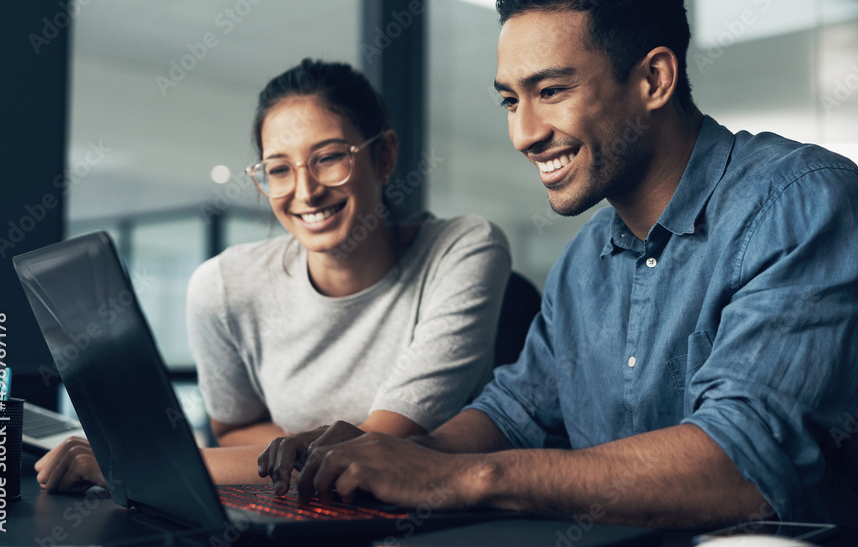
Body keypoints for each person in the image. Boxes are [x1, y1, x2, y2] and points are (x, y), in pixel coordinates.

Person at [259, 0, 858, 534]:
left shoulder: (806, 202)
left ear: (654, 78)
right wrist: (387, 454)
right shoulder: (586, 259)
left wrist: (454, 476)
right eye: (510, 99)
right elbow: (516, 412)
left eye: (551, 90)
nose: (524, 132)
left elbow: (741, 467)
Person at [34, 59, 511, 492]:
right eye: (279, 169)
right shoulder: (223, 286)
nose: (305, 191)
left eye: (328, 158)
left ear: (383, 157)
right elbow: (233, 428)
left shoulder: (464, 249)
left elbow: (374, 451)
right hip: (300, 508)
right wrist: (296, 460)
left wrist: (137, 463)